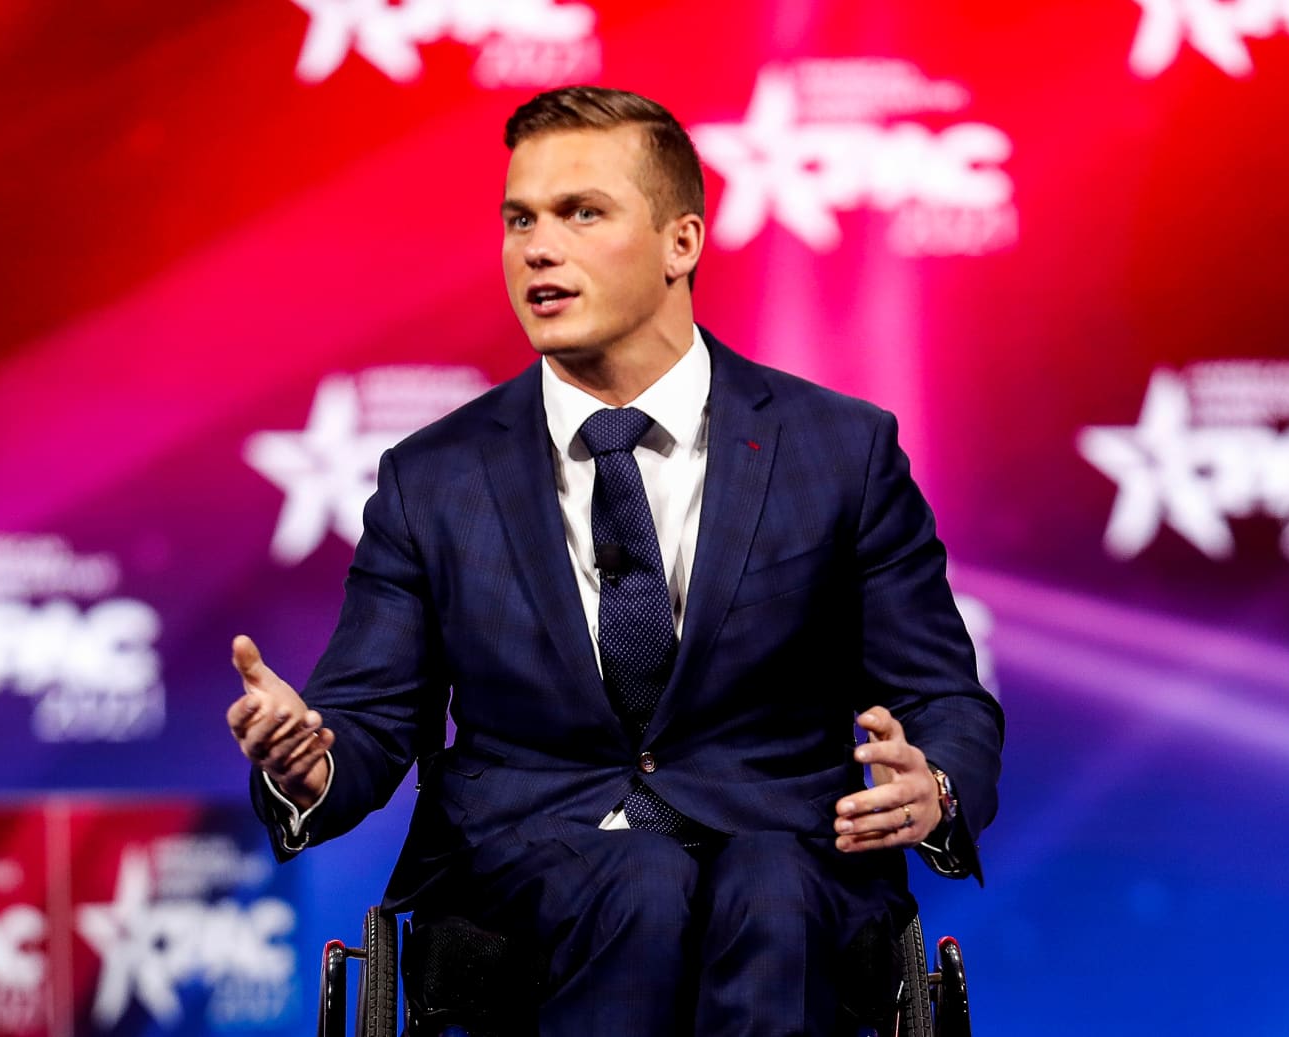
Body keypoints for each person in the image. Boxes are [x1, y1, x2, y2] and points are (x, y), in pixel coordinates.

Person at [227, 86, 1003, 1036]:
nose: (537, 248)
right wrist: (308, 764)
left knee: (766, 888)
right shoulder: (433, 477)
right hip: (527, 863)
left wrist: (936, 784)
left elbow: (943, 697)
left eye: (581, 213)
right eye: (520, 219)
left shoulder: (841, 451)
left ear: (682, 242)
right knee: (640, 880)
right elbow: (369, 717)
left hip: (787, 857)